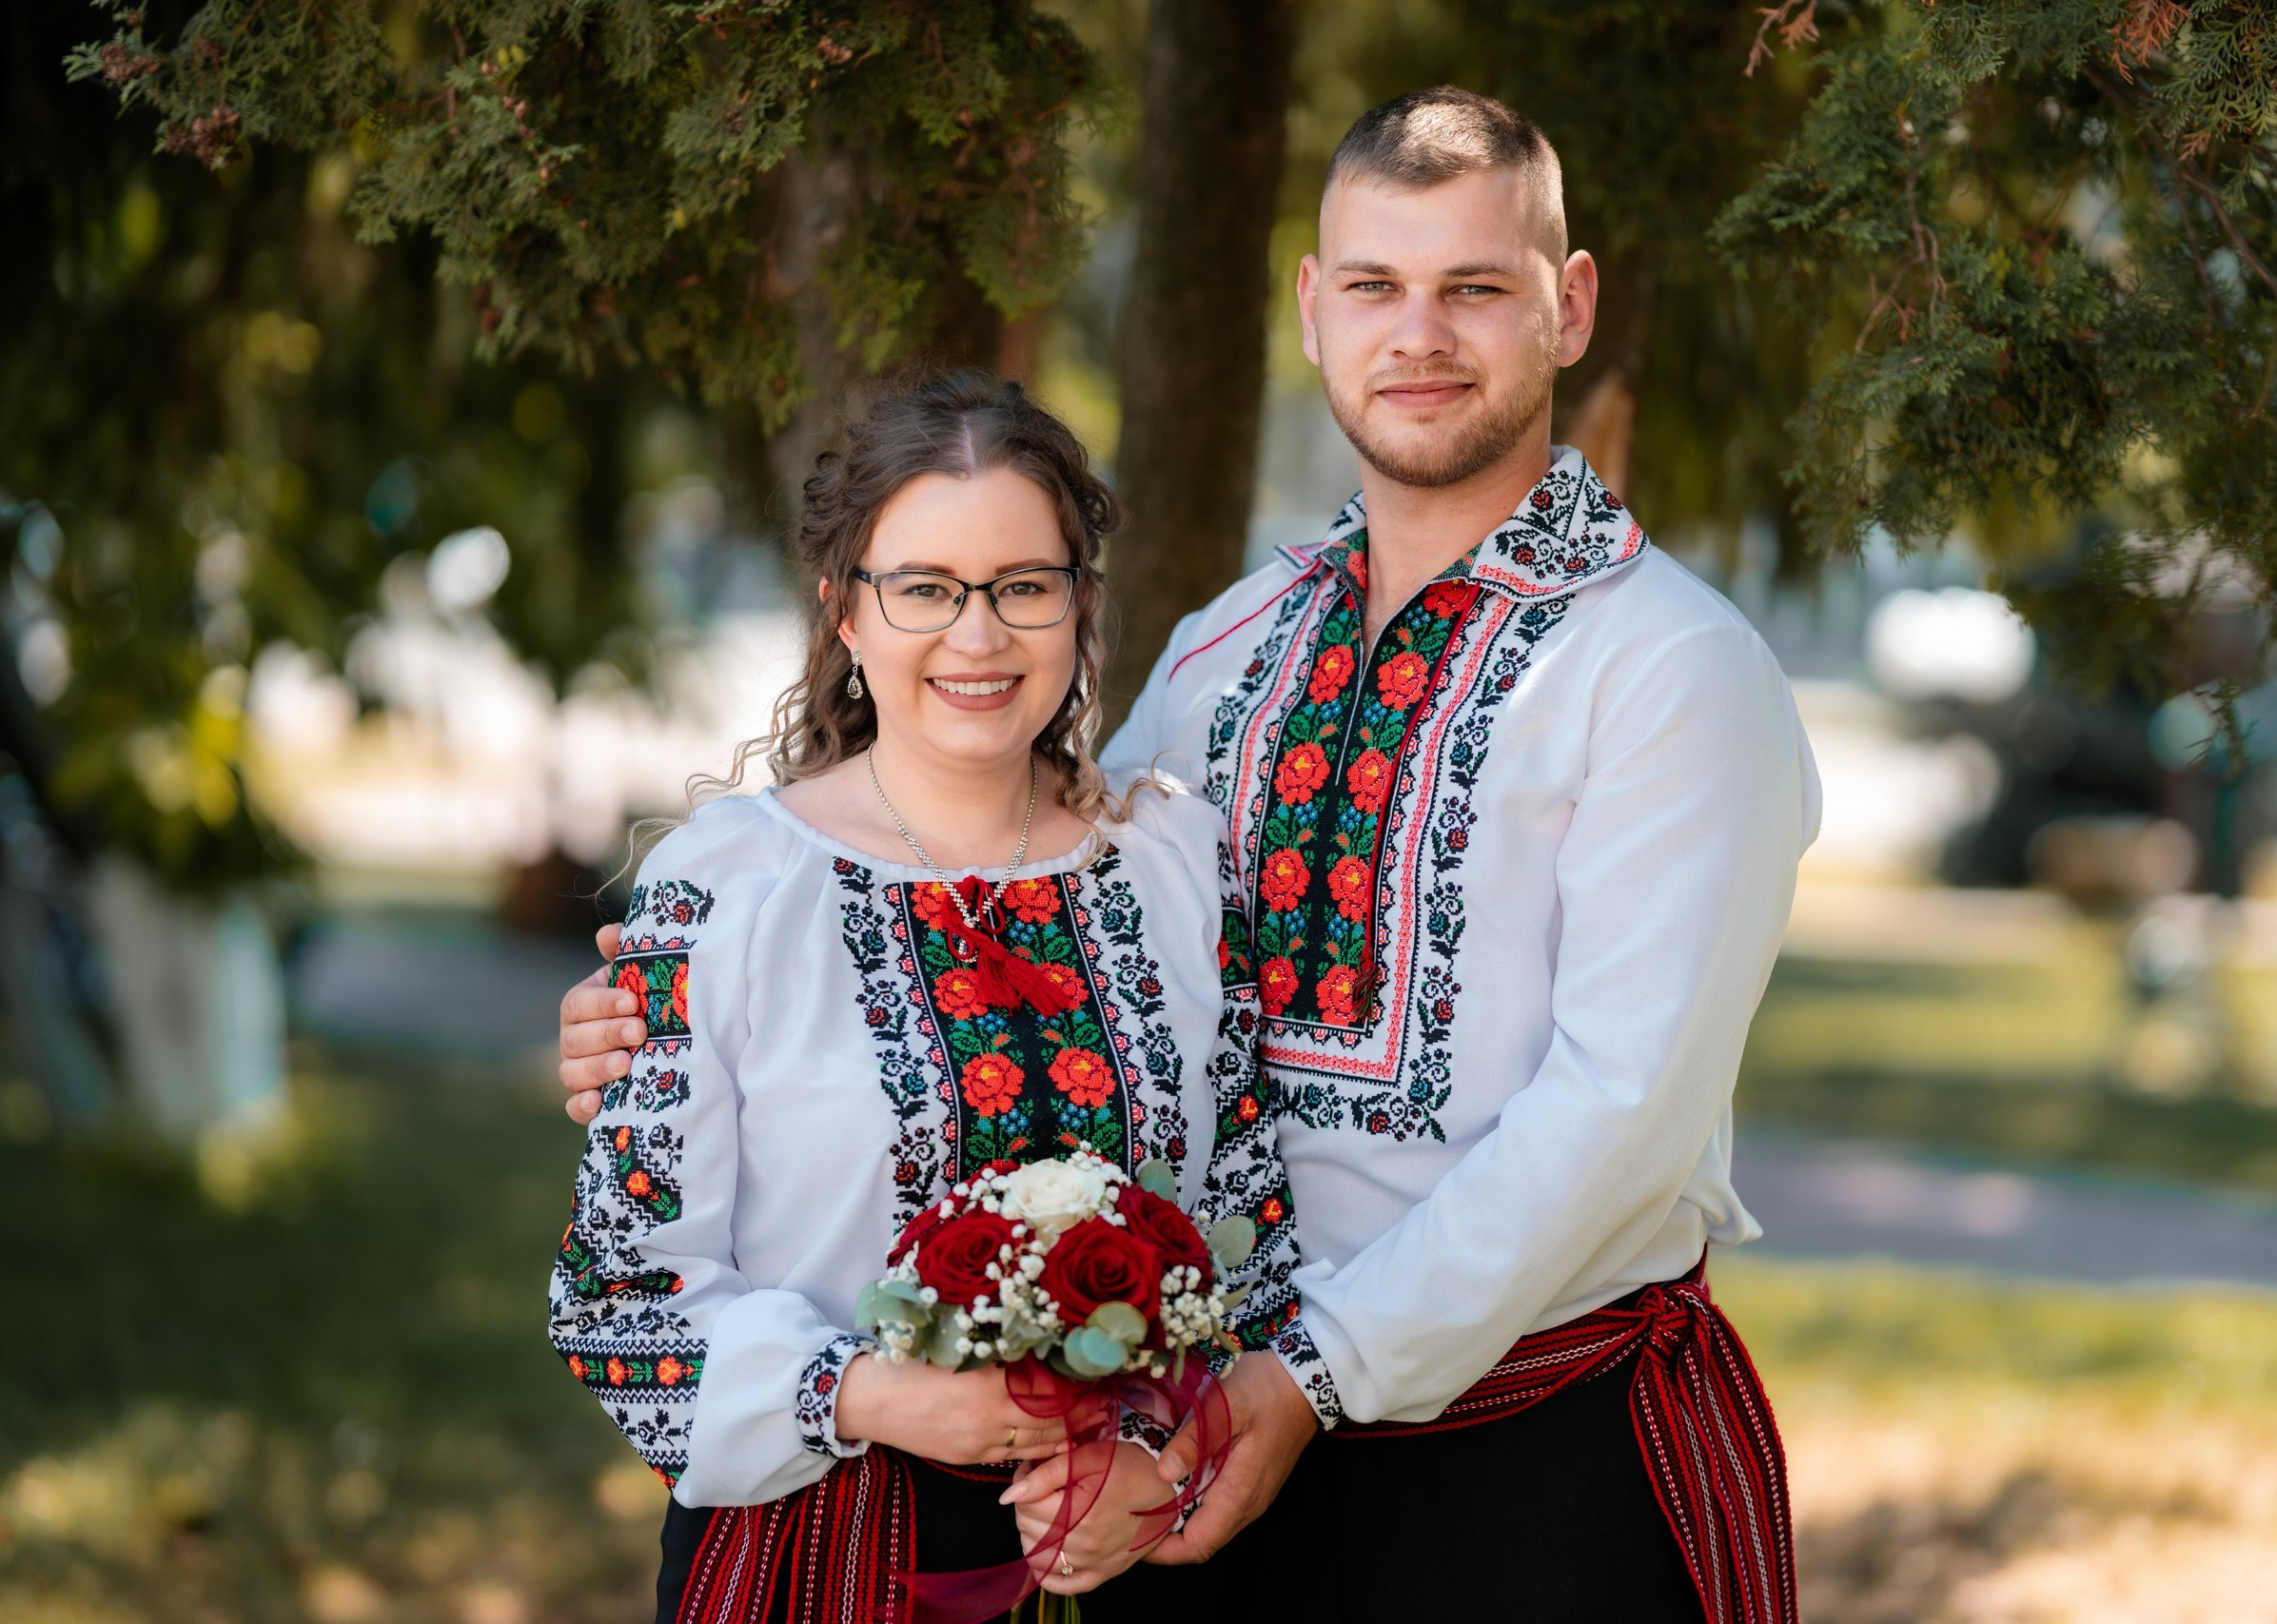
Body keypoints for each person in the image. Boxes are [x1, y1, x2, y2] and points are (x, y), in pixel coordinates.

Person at [564, 88, 1819, 1622]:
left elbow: (1618, 1115)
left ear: (1568, 309)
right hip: (1210, 1463)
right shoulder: (1232, 649)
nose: (1417, 334)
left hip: (1522, 1444)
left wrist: (1308, 1376)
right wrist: (664, 1027)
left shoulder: (1672, 667)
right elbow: (1051, 898)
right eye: (1374, 285)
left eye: (1475, 288)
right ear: (1311, 310)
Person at [548, 370, 1307, 1624]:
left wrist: (1153, 1464)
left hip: (1119, 1546)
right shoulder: (732, 888)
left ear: (1081, 606)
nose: (978, 635)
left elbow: (1249, 1231)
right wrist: (889, 1397)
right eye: (925, 589)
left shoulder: (1174, 868)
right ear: (846, 612)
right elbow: (618, 1301)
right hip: (829, 1557)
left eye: (1023, 586)